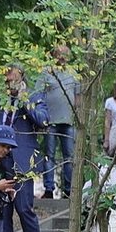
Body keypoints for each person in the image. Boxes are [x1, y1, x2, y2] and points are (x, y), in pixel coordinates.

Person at [0, 65, 48, 232]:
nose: (8, 82)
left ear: (21, 77)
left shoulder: (34, 96)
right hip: (0, 161)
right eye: (6, 79)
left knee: (24, 209)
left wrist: (24, 100)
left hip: (22, 161)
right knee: (3, 210)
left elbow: (43, 120)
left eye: (12, 78)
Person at [36, 44, 79, 200]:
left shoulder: (73, 73)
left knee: (69, 157)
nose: (62, 57)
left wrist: (77, 115)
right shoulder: (46, 72)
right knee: (49, 155)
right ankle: (49, 189)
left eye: (65, 54)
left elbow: (78, 97)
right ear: (54, 55)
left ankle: (68, 190)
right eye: (59, 54)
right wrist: (41, 118)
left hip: (68, 121)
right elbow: (38, 95)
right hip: (50, 121)